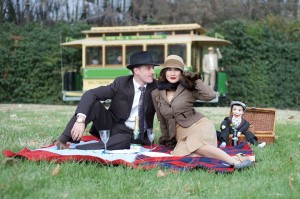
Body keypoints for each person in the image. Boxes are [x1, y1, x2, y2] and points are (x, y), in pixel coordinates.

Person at [151, 55, 253, 169]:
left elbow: (211, 95)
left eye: (176, 70)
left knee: (197, 146)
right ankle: (236, 158)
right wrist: (167, 139)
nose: (173, 73)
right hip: (180, 132)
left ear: (182, 72)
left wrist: (195, 80)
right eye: (169, 69)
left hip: (198, 124)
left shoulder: (188, 87)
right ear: (164, 72)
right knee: (178, 154)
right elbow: (162, 120)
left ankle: (235, 163)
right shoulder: (156, 93)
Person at [54, 51, 158, 150]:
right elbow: (90, 94)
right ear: (136, 71)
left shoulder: (156, 86)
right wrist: (80, 120)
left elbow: (171, 89)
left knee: (125, 140)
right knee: (94, 104)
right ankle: (63, 140)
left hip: (134, 134)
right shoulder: (121, 83)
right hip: (113, 126)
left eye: (153, 68)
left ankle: (82, 149)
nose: (152, 72)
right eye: (148, 68)